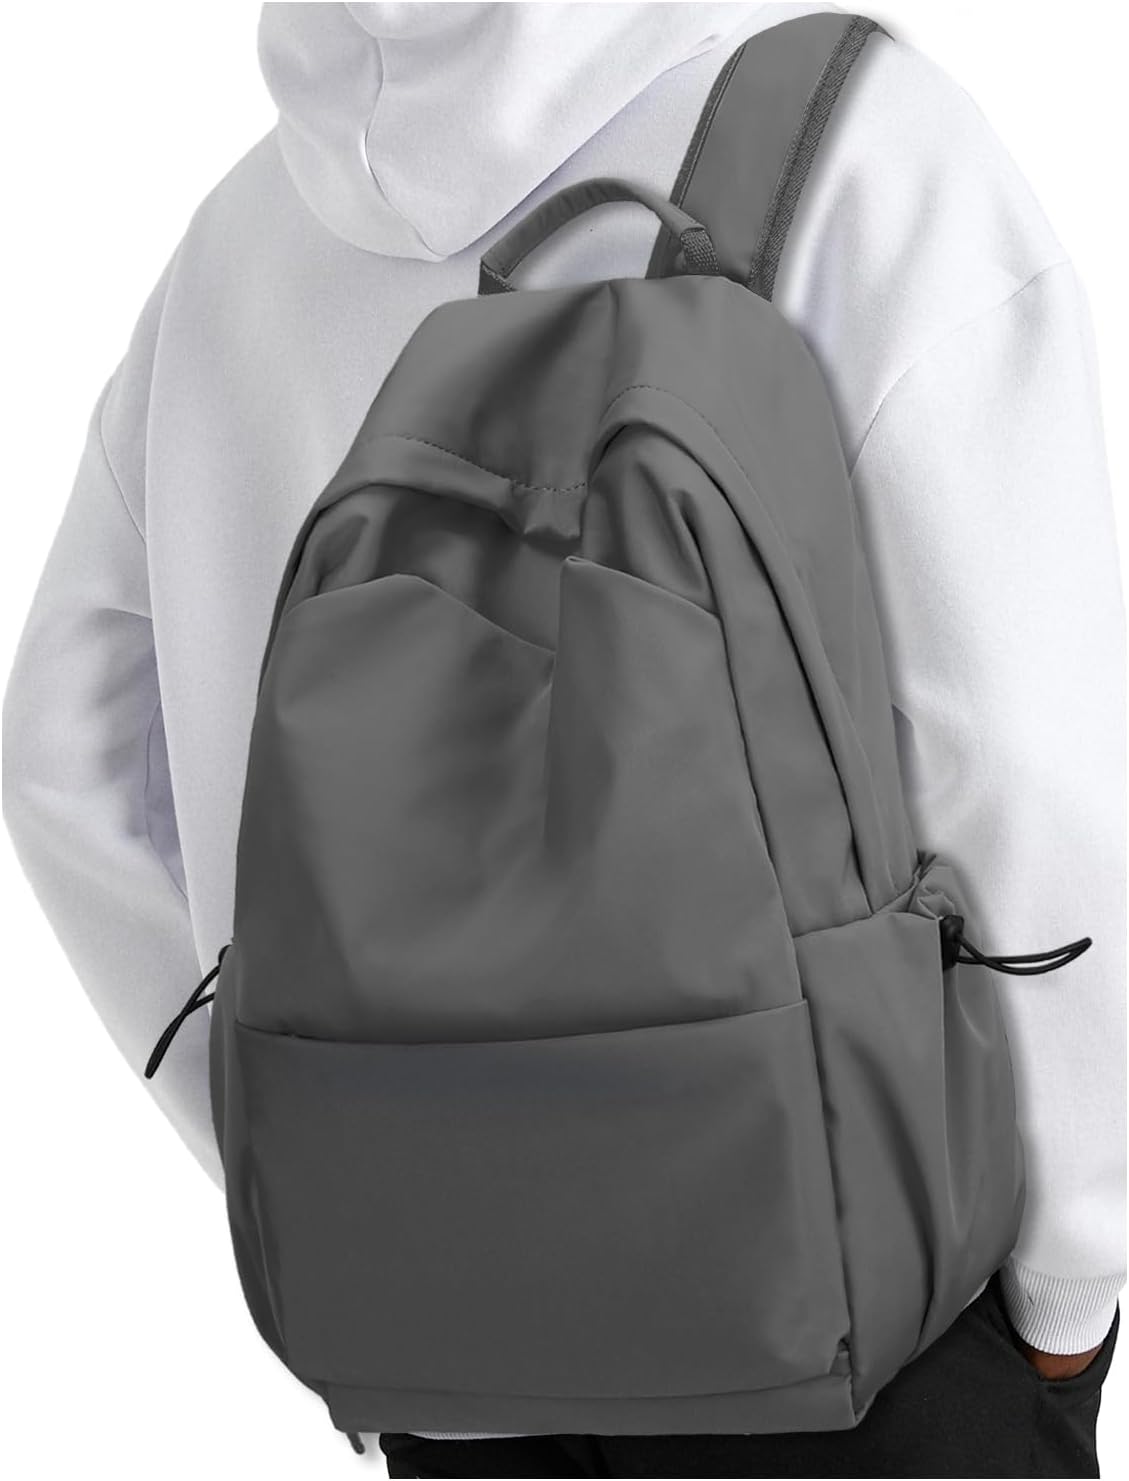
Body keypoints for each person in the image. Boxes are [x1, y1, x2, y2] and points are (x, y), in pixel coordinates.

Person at [3, 4, 1123, 1476]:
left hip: (439, 1324)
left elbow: (62, 754)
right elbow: (1034, 775)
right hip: (854, 1295)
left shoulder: (235, 248)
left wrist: (331, 1149)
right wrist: (1072, 1268)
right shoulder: (858, 144)